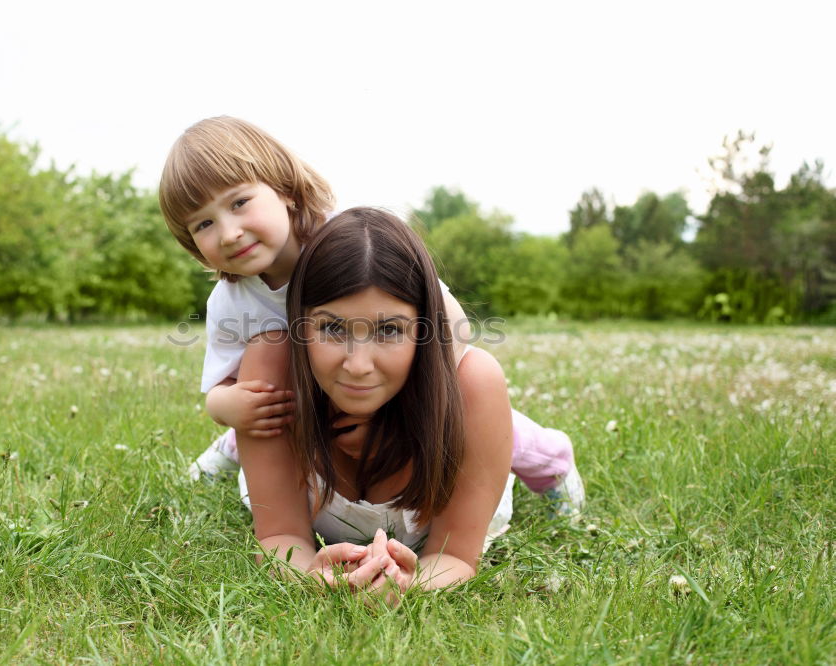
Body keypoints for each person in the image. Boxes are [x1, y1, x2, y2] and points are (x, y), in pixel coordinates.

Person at [157, 116, 583, 536]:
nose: (229, 233)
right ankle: (231, 449)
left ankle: (552, 464)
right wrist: (226, 408)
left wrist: (414, 400)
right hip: (313, 397)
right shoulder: (230, 301)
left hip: (402, 382)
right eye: (204, 224)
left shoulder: (348, 245)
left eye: (238, 203)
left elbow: (451, 325)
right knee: (265, 401)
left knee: (483, 412)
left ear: (284, 190)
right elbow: (222, 383)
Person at [241, 207, 520, 594]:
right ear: (300, 323)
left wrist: (412, 583)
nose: (357, 365)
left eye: (388, 329)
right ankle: (227, 448)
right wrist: (311, 576)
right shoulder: (273, 368)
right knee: (239, 450)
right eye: (333, 327)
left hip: (456, 416)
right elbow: (279, 536)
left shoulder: (475, 385)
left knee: (523, 436)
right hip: (300, 408)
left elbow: (455, 556)